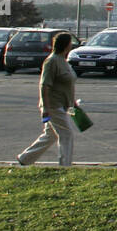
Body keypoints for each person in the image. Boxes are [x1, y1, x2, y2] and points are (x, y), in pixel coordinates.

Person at [16, 31, 78, 167]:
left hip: (64, 105)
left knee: (50, 135)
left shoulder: (64, 61)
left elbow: (68, 84)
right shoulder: (52, 61)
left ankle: (25, 159)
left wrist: (72, 103)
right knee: (66, 134)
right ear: (65, 45)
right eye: (70, 43)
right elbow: (45, 85)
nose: (72, 45)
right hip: (54, 106)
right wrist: (46, 108)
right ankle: (65, 166)